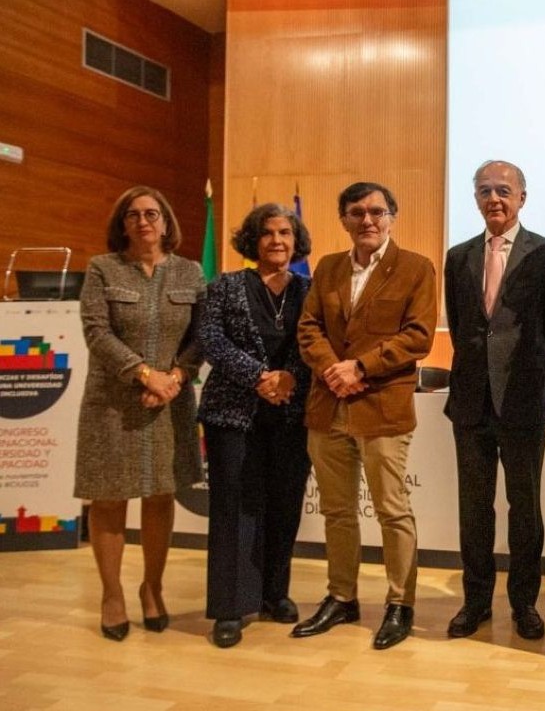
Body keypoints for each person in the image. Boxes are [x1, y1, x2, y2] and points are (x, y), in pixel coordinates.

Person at [292, 181, 437, 650]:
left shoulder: (416, 267)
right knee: (337, 512)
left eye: (377, 211)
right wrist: (332, 370)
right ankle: (342, 597)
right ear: (344, 220)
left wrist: (360, 367)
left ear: (392, 216)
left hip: (382, 406)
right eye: (356, 212)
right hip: (328, 404)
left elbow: (418, 336)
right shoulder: (328, 267)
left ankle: (400, 603)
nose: (367, 220)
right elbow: (309, 327)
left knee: (392, 510)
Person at [75, 185, 205, 641]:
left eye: (152, 213)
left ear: (166, 222)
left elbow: (201, 337)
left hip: (170, 400)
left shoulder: (190, 271)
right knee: (109, 498)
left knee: (160, 495)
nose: (143, 221)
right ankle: (112, 595)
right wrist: (145, 375)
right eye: (133, 215)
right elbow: (96, 331)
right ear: (122, 224)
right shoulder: (103, 268)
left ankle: (153, 587)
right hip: (112, 403)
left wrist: (175, 378)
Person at [443, 160, 545, 640]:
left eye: (504, 190)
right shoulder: (458, 256)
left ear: (522, 198)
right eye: (485, 190)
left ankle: (524, 603)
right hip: (470, 401)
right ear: (475, 198)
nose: (494, 198)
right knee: (474, 508)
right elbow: (461, 327)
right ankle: (475, 601)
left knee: (525, 507)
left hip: (524, 400)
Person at [197, 203, 313, 648]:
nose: (277, 241)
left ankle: (273, 594)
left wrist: (289, 378)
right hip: (232, 413)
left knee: (285, 505)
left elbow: (317, 341)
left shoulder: (310, 289)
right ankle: (230, 606)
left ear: (296, 241)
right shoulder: (224, 286)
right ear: (253, 240)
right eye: (267, 233)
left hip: (292, 413)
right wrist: (259, 377)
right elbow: (211, 339)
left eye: (285, 233)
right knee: (234, 509)